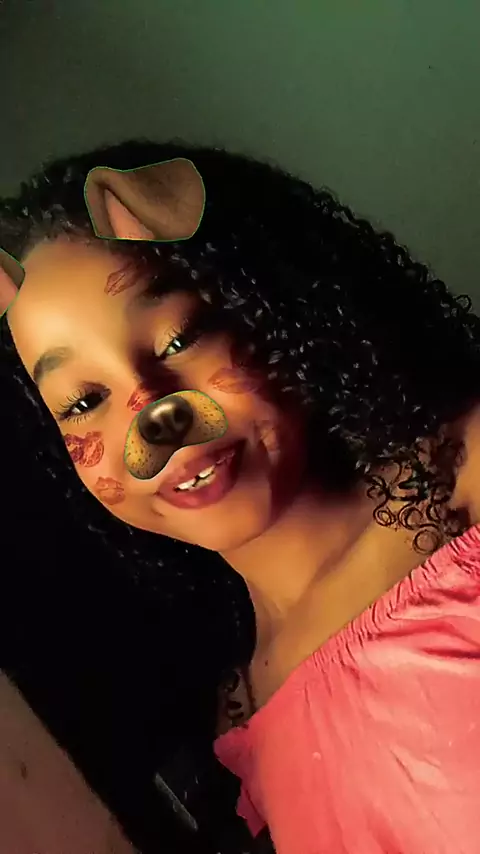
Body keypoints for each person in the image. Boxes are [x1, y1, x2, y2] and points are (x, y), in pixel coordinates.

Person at [1, 138, 480, 854]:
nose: (153, 414)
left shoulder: (468, 481)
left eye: (179, 340)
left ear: (269, 305)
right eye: (82, 402)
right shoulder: (241, 709)